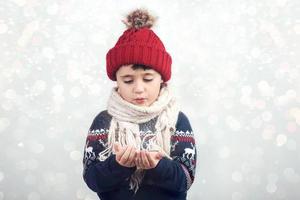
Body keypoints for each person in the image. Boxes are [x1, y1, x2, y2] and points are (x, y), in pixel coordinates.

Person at [82, 8, 197, 200]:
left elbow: (185, 180)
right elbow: (92, 179)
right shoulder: (105, 121)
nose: (138, 88)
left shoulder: (176, 120)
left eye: (148, 79)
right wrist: (118, 165)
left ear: (162, 79)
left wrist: (158, 166)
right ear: (116, 80)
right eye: (128, 80)